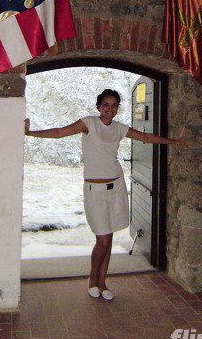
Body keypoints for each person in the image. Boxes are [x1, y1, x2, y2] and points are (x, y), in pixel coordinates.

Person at [24, 88, 185, 301]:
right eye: (106, 105)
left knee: (108, 238)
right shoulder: (88, 123)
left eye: (114, 105)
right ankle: (93, 280)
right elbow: (59, 132)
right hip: (94, 191)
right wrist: (30, 133)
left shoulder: (119, 128)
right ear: (99, 106)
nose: (110, 109)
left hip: (116, 187)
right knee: (103, 239)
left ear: (118, 108)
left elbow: (146, 137)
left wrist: (175, 142)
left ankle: (102, 282)